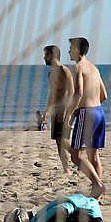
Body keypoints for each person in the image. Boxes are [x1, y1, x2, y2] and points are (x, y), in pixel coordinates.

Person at [66, 37, 108, 198]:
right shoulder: (94, 68)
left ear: (77, 49)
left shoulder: (78, 67)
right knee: (94, 155)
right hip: (99, 112)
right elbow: (104, 95)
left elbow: (78, 93)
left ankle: (98, 185)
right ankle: (96, 197)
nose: (69, 51)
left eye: (70, 48)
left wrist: (71, 114)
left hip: (87, 113)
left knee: (76, 155)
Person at [43, 45, 74, 173]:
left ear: (52, 55)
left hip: (64, 110)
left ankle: (80, 156)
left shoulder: (64, 70)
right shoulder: (51, 74)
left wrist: (68, 112)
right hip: (55, 111)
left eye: (46, 55)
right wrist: (47, 111)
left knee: (63, 140)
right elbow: (52, 94)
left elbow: (71, 91)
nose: (44, 58)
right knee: (58, 141)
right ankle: (66, 169)